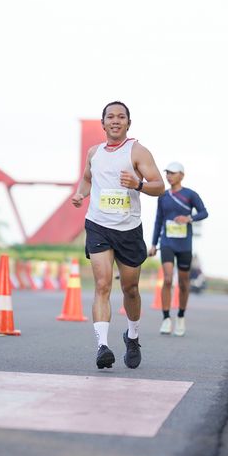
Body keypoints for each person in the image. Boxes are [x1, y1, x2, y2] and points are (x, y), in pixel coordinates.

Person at [71, 101, 164, 370]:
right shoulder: (94, 152)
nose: (115, 121)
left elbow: (160, 186)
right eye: (110, 117)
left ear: (128, 123)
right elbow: (87, 179)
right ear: (103, 123)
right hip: (98, 225)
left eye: (121, 117)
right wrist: (80, 194)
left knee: (130, 289)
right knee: (102, 285)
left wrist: (139, 184)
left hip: (128, 228)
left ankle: (132, 336)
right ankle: (102, 346)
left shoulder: (138, 151)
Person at [148, 162, 208, 336]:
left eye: (172, 173)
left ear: (182, 175)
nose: (169, 176)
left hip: (184, 244)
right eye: (167, 173)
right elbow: (158, 221)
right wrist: (154, 244)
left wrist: (189, 218)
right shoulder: (163, 196)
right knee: (167, 279)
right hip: (167, 242)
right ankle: (166, 318)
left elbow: (204, 212)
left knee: (183, 282)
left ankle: (180, 316)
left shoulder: (190, 195)